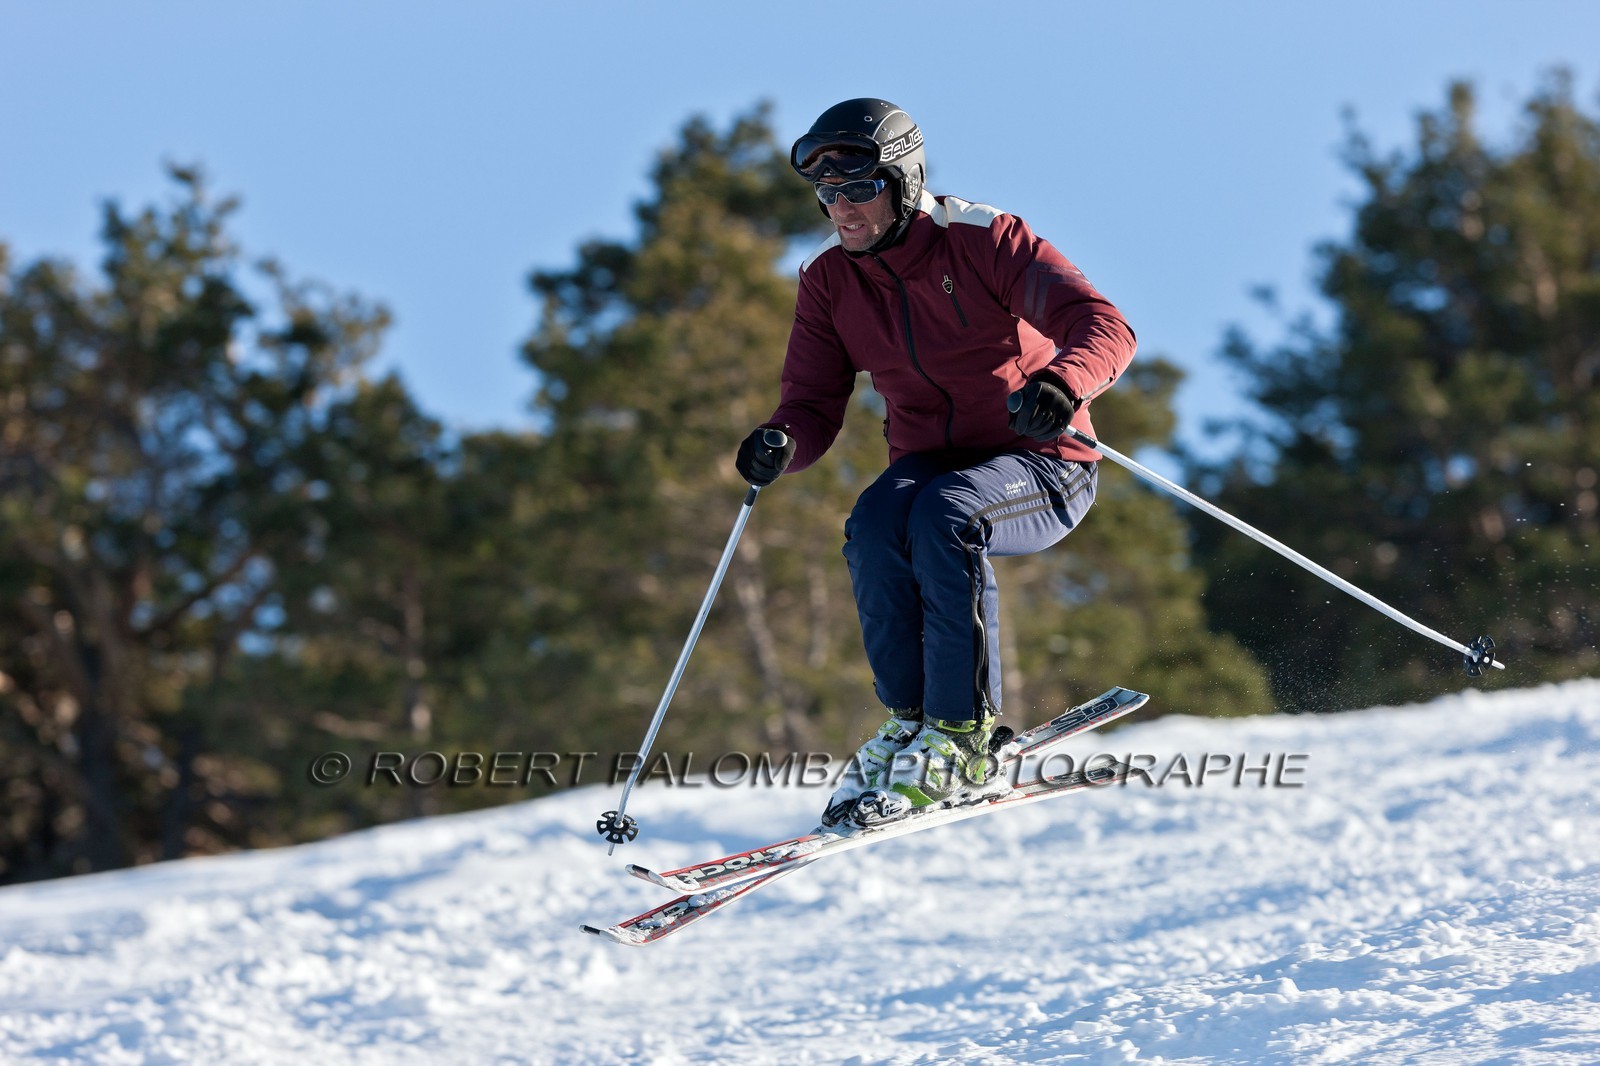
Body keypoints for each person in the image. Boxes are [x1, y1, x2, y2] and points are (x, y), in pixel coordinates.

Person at [735, 98, 1136, 826]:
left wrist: (1063, 383)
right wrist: (781, 441)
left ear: (905, 181)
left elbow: (1104, 325)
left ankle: (962, 732)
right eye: (827, 194)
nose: (842, 209)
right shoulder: (829, 280)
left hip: (1041, 460)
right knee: (876, 520)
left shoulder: (985, 240)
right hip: (931, 465)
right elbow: (812, 403)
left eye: (859, 188)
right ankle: (911, 719)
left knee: (945, 515)